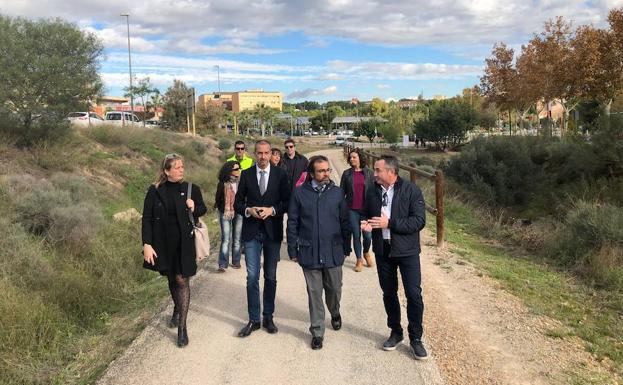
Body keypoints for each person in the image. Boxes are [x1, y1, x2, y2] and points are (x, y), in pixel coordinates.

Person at [361, 155, 428, 360]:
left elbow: (418, 221)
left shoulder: (411, 190)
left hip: (407, 251)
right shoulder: (372, 190)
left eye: (378, 170)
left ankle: (416, 339)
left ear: (391, 172)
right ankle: (395, 332)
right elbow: (366, 213)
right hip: (383, 251)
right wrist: (366, 224)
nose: (375, 173)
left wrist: (389, 224)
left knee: (413, 294)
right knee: (388, 293)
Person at [142, 153, 207, 348]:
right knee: (171, 278)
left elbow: (203, 210)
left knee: (181, 279)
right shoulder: (155, 191)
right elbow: (146, 218)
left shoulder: (190, 189)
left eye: (182, 166)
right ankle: (178, 308)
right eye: (177, 167)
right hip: (162, 243)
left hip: (184, 243)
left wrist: (194, 207)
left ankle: (182, 327)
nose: (181, 169)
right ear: (166, 171)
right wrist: (147, 244)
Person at [287, 155, 351, 350]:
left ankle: (335, 311)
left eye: (328, 170)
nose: (326, 174)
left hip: (333, 251)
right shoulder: (299, 193)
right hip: (309, 251)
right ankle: (317, 331)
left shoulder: (337, 193)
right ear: (312, 173)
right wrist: (292, 248)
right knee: (314, 293)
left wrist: (346, 247)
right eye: (321, 171)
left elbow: (345, 221)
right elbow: (292, 222)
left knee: (334, 288)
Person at [234, 140, 290, 337]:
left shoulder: (280, 174)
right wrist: (249, 210)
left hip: (272, 232)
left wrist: (272, 210)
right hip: (251, 232)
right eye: (260, 153)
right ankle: (253, 319)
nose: (263, 157)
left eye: (266, 153)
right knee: (251, 277)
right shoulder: (247, 174)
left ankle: (268, 316)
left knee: (271, 276)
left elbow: (287, 202)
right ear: (254, 153)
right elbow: (238, 203)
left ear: (271, 154)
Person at [339, 148, 375, 272]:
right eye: (350, 157)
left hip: (366, 211)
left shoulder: (369, 173)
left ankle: (366, 252)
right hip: (352, 210)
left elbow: (375, 191)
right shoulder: (346, 173)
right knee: (356, 234)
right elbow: (341, 193)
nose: (352, 159)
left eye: (354, 157)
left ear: (360, 158)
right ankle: (359, 259)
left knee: (368, 236)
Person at [214, 160, 243, 272]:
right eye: (236, 169)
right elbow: (218, 199)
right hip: (225, 213)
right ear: (229, 171)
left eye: (238, 168)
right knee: (225, 239)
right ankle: (222, 264)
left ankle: (236, 261)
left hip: (239, 213)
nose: (238, 170)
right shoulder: (222, 183)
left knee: (237, 239)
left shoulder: (241, 182)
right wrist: (225, 209)